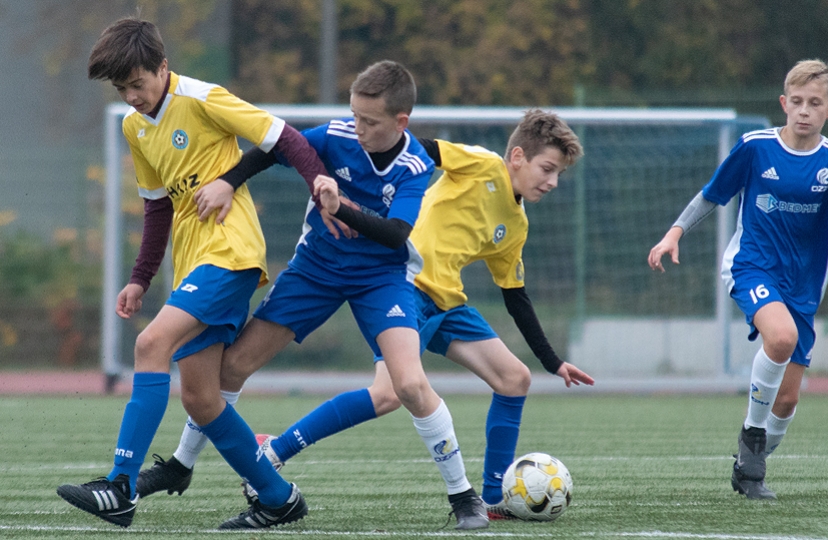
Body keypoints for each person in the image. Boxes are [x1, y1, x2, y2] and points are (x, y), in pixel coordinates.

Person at [138, 109, 595, 523]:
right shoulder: (479, 163)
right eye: (547, 169)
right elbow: (416, 150)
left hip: (447, 302)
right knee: (389, 394)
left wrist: (553, 361)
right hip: (405, 288)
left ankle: (495, 497)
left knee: (515, 379)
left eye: (558, 174)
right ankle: (274, 451)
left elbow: (515, 295)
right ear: (517, 156)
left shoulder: (516, 225)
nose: (551, 182)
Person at [135, 59, 489, 529]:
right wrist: (227, 181)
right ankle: (181, 465)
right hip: (315, 272)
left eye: (370, 121)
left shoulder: (415, 165)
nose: (357, 128)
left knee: (408, 384)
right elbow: (274, 148)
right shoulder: (338, 135)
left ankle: (465, 498)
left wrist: (341, 205)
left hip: (381, 279)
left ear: (401, 122)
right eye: (354, 115)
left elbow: (397, 234)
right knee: (233, 366)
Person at [56, 17, 327, 529]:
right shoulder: (133, 127)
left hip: (231, 253)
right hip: (194, 264)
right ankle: (278, 498)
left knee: (148, 346)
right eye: (121, 88)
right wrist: (139, 277)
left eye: (138, 83)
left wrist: (320, 184)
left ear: (163, 67)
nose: (131, 96)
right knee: (201, 397)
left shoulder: (204, 98)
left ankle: (120, 486)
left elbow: (283, 138)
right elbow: (158, 208)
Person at [648, 59, 828, 500]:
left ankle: (748, 470)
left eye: (815, 103)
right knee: (782, 336)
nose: (804, 110)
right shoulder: (755, 147)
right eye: (797, 101)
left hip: (804, 287)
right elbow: (711, 195)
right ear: (783, 103)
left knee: (787, 403)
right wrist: (674, 233)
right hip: (752, 266)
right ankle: (751, 438)